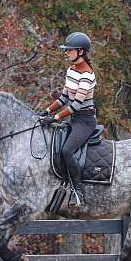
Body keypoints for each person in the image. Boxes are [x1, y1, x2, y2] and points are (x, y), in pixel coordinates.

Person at [36, 32, 97, 206]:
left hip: (85, 121)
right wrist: (45, 111)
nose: (66, 52)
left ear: (80, 51)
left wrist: (55, 117)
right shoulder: (71, 70)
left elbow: (76, 104)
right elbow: (64, 99)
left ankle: (78, 192)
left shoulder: (87, 74)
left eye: (69, 50)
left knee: (67, 150)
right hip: (73, 118)